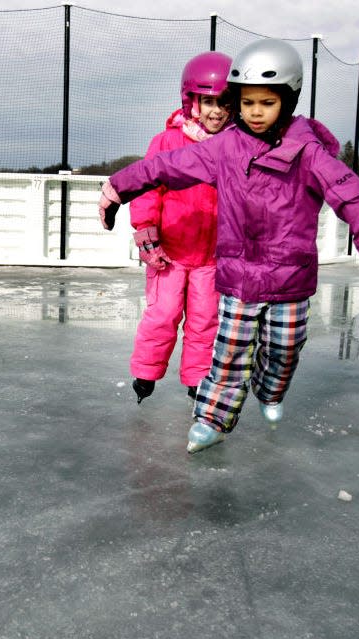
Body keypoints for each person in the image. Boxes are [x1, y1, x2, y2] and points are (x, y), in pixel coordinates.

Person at [98, 38, 359, 453]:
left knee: (284, 352)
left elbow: (350, 194)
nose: (254, 112)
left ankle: (269, 392)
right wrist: (117, 188)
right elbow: (166, 167)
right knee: (228, 353)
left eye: (265, 103)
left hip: (291, 279)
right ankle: (213, 420)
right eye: (246, 102)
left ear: (287, 102)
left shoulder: (307, 151)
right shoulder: (225, 147)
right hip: (238, 279)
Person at [127, 51, 233, 404]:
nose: (215, 111)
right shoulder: (167, 141)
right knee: (163, 314)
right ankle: (146, 373)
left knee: (206, 321)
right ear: (192, 101)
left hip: (213, 257)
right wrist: (146, 234)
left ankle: (197, 381)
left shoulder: (237, 147)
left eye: (224, 102)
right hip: (170, 252)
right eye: (208, 102)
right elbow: (146, 190)